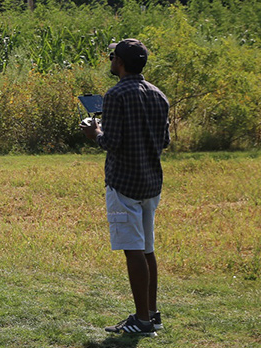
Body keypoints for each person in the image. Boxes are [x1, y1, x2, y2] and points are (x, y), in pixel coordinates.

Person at [81, 38, 170, 337]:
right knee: (147, 250)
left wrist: (95, 132)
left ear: (119, 62)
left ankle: (142, 322)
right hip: (151, 182)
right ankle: (152, 314)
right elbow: (164, 141)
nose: (110, 60)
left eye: (112, 56)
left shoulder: (116, 95)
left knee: (133, 250)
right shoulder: (159, 95)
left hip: (124, 184)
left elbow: (111, 142)